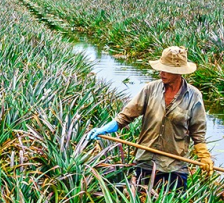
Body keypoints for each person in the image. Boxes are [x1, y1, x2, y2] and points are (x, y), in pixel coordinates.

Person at [85, 46, 214, 188]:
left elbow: (198, 133)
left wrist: (204, 156)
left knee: (174, 200)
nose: (161, 73)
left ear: (178, 72)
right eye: (161, 68)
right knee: (140, 198)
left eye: (166, 70)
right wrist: (104, 129)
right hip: (146, 161)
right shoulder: (150, 89)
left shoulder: (194, 96)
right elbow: (125, 116)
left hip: (174, 166)